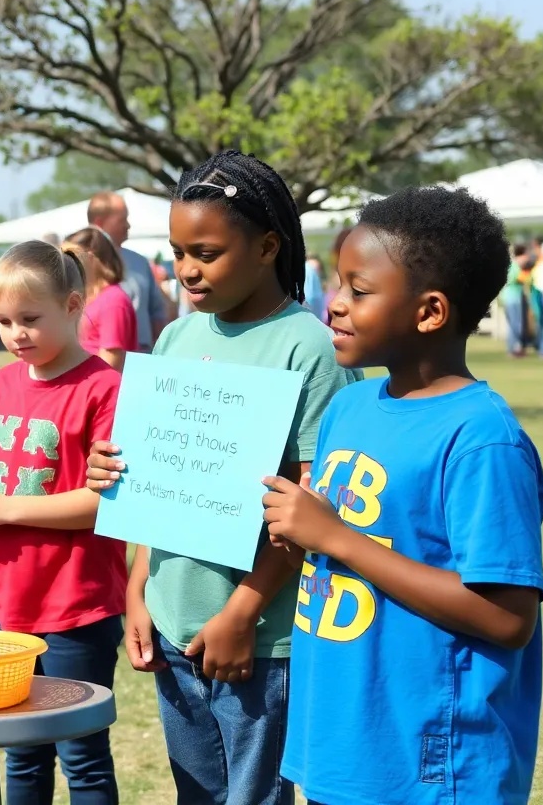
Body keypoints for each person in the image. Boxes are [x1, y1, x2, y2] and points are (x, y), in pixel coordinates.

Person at [86, 150, 360, 805]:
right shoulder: (177, 338)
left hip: (259, 639)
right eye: (179, 251)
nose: (186, 269)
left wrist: (243, 611)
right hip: (173, 624)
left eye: (206, 252)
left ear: (268, 246)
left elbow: (314, 505)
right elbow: (161, 479)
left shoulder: (309, 347)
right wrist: (136, 585)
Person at [263, 186, 543, 805]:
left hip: (429, 764)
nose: (334, 305)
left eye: (358, 292)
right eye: (338, 284)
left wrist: (335, 537)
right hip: (344, 741)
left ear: (430, 312)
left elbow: (506, 616)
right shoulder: (348, 404)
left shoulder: (480, 439)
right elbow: (327, 549)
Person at [0, 241, 126, 805]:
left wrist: (3, 508)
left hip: (78, 604)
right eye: (3, 321)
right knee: (20, 750)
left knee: (81, 755)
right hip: (4, 598)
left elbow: (105, 504)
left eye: (30, 319)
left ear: (73, 306)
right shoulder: (0, 384)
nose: (16, 334)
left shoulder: (105, 389)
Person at [88, 191, 168, 351]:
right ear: (99, 223)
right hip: (97, 361)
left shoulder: (140, 262)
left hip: (141, 358)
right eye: (122, 219)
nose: (128, 225)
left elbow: (157, 312)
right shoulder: (80, 263)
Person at [63, 227, 137, 371]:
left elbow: (111, 362)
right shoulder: (87, 297)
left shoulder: (113, 301)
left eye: (69, 257)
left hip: (99, 390)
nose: (63, 264)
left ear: (89, 258)